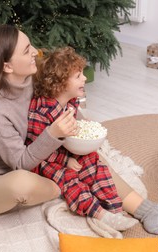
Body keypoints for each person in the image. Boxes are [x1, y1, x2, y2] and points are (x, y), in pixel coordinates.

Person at [0, 24, 158, 238]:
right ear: (7, 66)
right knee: (23, 184)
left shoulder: (30, 77)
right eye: (27, 51)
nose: (35, 52)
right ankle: (75, 193)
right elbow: (20, 163)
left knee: (90, 157)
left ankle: (149, 211)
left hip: (35, 157)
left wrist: (73, 127)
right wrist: (53, 136)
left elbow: (59, 99)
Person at [25, 46, 138, 231]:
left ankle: (114, 208)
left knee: (94, 160)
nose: (85, 78)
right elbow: (38, 150)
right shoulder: (40, 112)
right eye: (78, 76)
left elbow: (72, 130)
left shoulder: (70, 102)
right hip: (44, 161)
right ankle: (99, 214)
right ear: (60, 83)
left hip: (63, 149)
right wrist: (66, 160)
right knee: (69, 178)